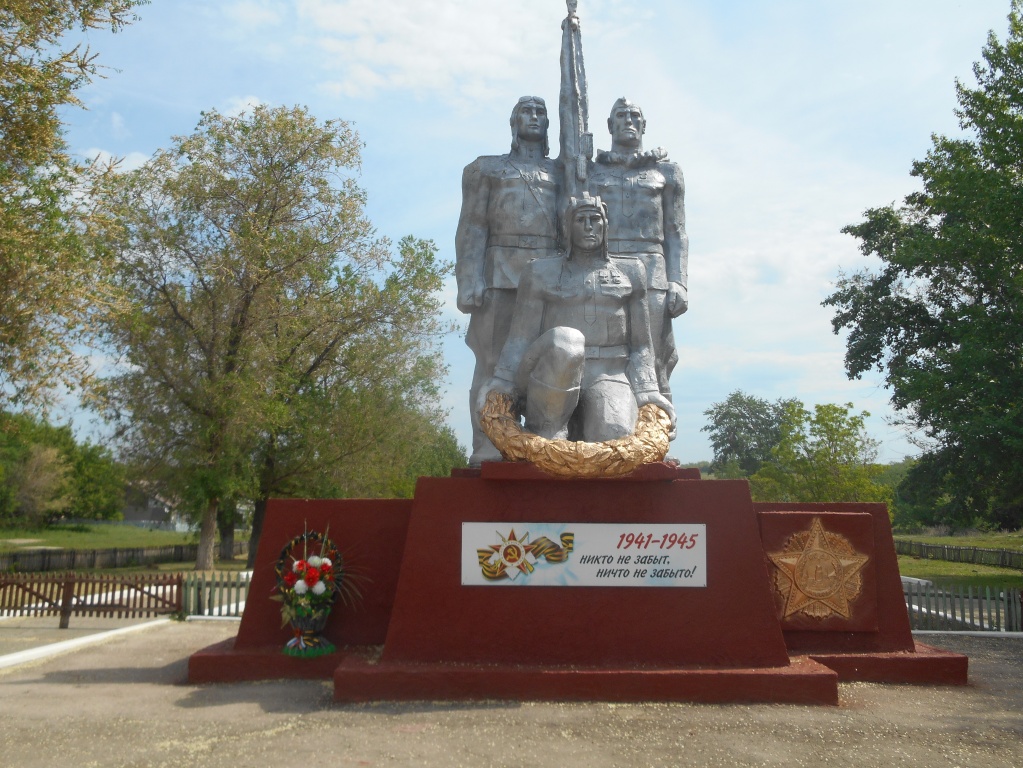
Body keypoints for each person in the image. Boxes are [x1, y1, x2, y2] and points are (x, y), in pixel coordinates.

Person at [482, 195, 674, 443]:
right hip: (555, 370)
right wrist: (501, 383)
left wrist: (648, 390)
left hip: (610, 372)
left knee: (614, 436)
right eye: (580, 220)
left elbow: (641, 345)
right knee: (567, 342)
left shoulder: (632, 271)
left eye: (595, 219)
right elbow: (520, 338)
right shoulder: (539, 272)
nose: (588, 227)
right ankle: (548, 426)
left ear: (606, 225)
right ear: (566, 227)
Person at [456, 96, 561, 465]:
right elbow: (472, 225)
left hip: (551, 280)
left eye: (541, 112)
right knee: (492, 364)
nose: (534, 117)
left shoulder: (562, 171)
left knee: (551, 363)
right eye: (526, 112)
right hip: (499, 276)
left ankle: (543, 442)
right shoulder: (487, 169)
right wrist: (469, 279)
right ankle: (488, 443)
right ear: (513, 121)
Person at [590, 98, 688, 407]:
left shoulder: (667, 172)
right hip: (605, 266)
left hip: (651, 267)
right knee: (604, 348)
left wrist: (679, 281)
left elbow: (676, 231)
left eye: (634, 115)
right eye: (621, 115)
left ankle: (654, 429)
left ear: (644, 125)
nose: (628, 120)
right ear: (610, 125)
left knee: (653, 353)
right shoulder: (592, 172)